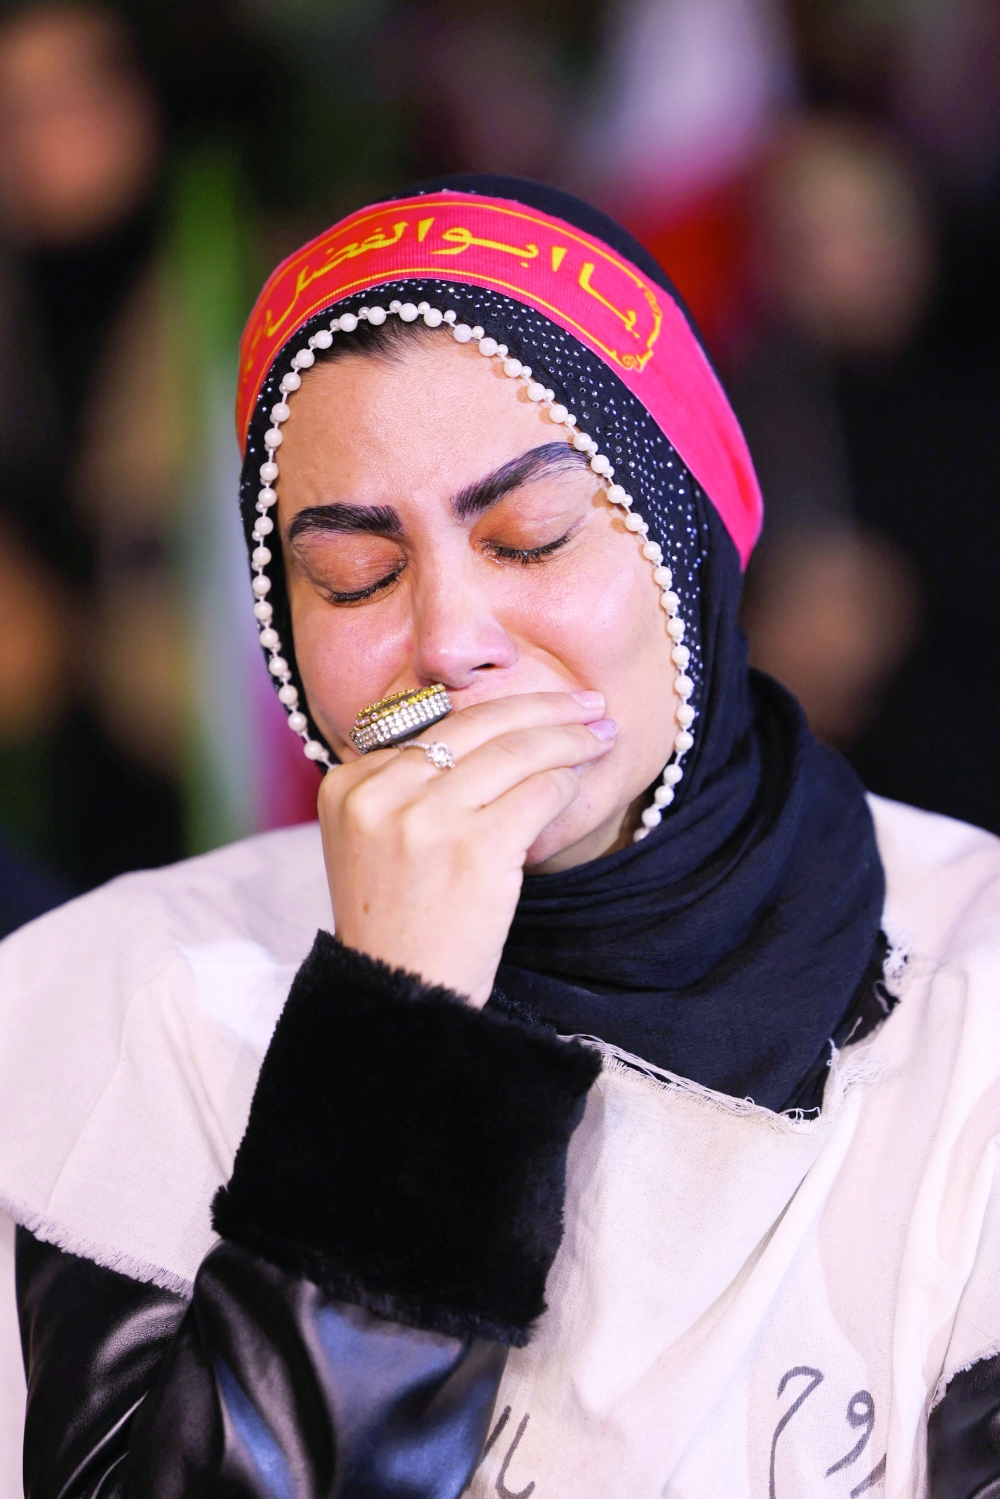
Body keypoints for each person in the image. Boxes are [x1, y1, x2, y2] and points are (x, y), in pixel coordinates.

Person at [1, 175, 999, 1498]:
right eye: (354, 573)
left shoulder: (971, 981)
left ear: (688, 547)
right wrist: (392, 1043)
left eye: (529, 539)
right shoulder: (110, 996)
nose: (449, 640)